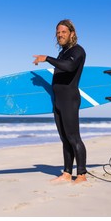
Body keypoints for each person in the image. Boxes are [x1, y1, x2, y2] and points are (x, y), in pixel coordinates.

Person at [33, 19, 87, 183]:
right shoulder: (63, 53)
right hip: (58, 101)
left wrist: (47, 58)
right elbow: (62, 65)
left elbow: (69, 67)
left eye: (63, 32)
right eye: (58, 33)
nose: (60, 35)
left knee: (74, 137)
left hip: (70, 100)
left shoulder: (78, 51)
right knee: (64, 138)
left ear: (72, 33)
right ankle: (67, 173)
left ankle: (82, 174)